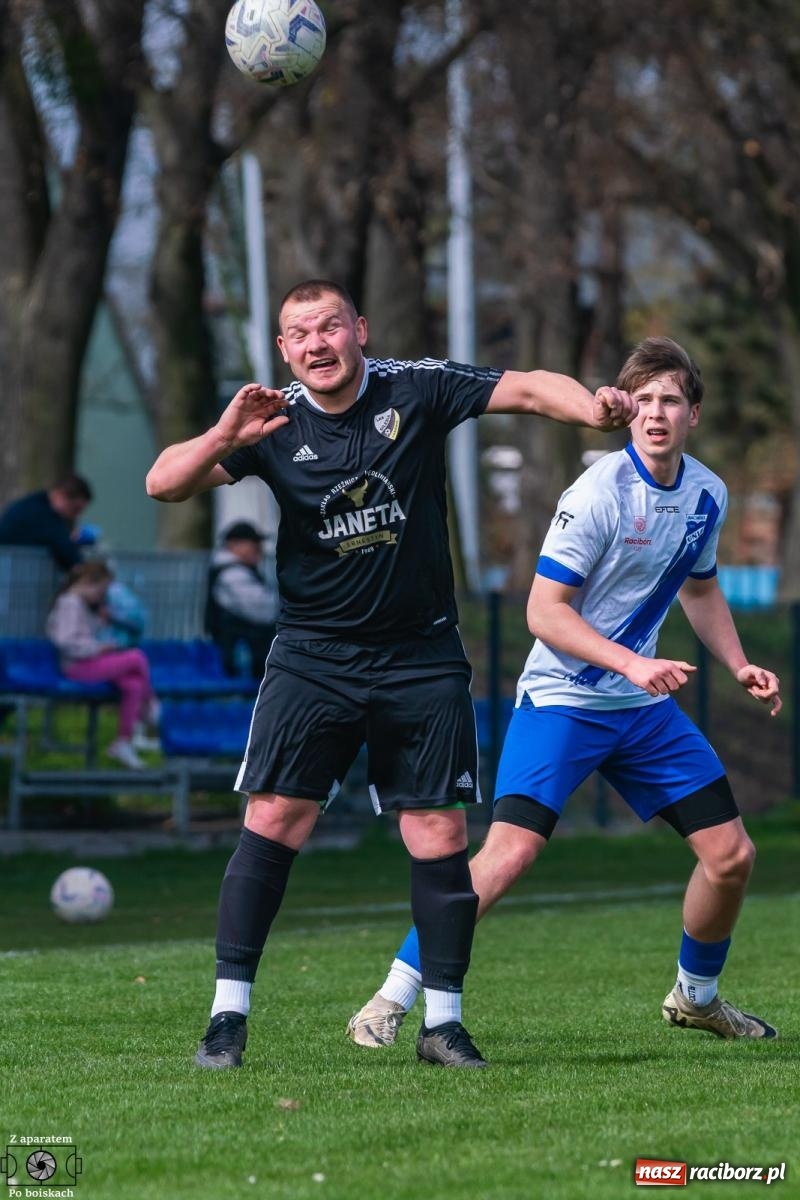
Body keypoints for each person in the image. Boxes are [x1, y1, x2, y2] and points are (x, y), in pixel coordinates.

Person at [145, 278, 636, 1071]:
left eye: (329, 326)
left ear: (359, 330)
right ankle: (225, 1020)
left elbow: (532, 388)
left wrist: (592, 409)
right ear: (283, 350)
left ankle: (442, 1026)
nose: (316, 343)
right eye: (299, 333)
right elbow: (163, 483)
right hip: (313, 658)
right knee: (274, 823)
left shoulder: (418, 387)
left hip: (421, 656)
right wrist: (222, 433)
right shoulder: (268, 424)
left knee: (438, 832)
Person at [348, 336, 782, 1050]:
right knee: (508, 855)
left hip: (640, 712)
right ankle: (391, 997)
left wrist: (738, 663)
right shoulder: (599, 492)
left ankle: (696, 998)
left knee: (732, 856)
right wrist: (632, 664)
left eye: (670, 399)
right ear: (627, 412)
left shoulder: (708, 493)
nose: (654, 413)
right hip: (564, 701)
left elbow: (699, 588)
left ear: (693, 414)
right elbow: (543, 613)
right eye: (641, 400)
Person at [46, 561, 160, 770]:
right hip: (78, 665)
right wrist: (98, 648)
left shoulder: (83, 605)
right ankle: (150, 708)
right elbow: (66, 641)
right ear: (89, 583)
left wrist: (103, 626)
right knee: (136, 657)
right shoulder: (70, 603)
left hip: (89, 660)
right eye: (101, 591)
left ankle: (123, 741)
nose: (102, 597)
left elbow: (84, 632)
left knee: (132, 684)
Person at [205, 521, 278, 678]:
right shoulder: (231, 574)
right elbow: (265, 611)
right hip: (240, 666)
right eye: (254, 543)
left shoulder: (236, 570)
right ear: (234, 545)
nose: (259, 548)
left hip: (241, 662)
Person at [0, 474, 94, 570]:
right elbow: (68, 554)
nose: (76, 515)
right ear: (60, 495)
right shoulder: (41, 513)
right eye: (75, 509)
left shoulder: (36, 505)